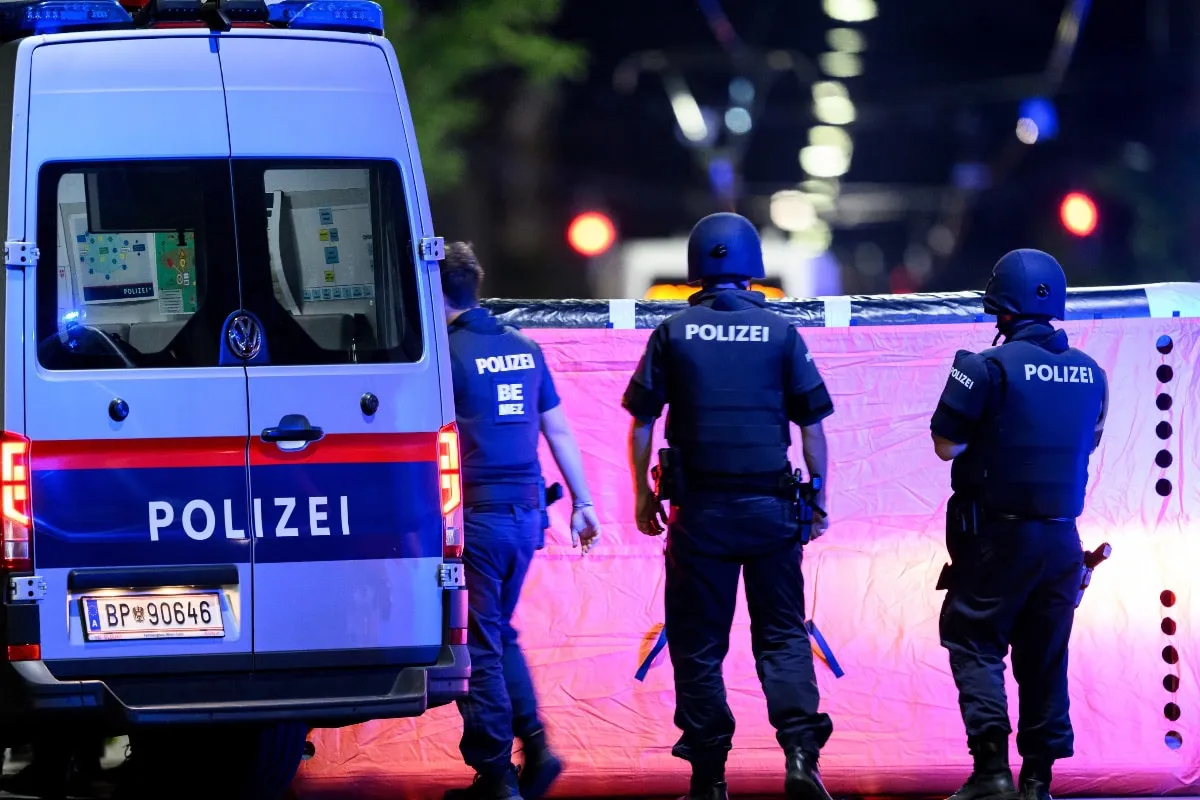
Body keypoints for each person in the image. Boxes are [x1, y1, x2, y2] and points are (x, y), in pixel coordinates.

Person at [622, 212, 836, 800]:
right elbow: (812, 427)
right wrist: (818, 500)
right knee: (783, 638)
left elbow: (642, 422)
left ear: (698, 267)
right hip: (772, 514)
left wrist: (642, 493)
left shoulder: (672, 332)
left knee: (698, 643)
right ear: (751, 270)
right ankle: (799, 757)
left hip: (701, 519)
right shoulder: (782, 333)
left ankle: (709, 775)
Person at [930, 249, 1108, 800]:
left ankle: (991, 774)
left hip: (996, 538)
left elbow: (946, 445)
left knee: (974, 640)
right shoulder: (1092, 373)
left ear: (998, 306)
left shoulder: (982, 366)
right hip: (1062, 541)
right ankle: (1037, 783)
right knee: (1045, 657)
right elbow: (1091, 440)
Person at [440, 242, 602, 800]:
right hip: (528, 517)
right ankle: (535, 747)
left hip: (479, 520)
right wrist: (584, 503)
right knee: (499, 635)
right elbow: (557, 429)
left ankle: (497, 775)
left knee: (477, 647)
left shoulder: (443, 356)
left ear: (436, 292)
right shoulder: (525, 348)